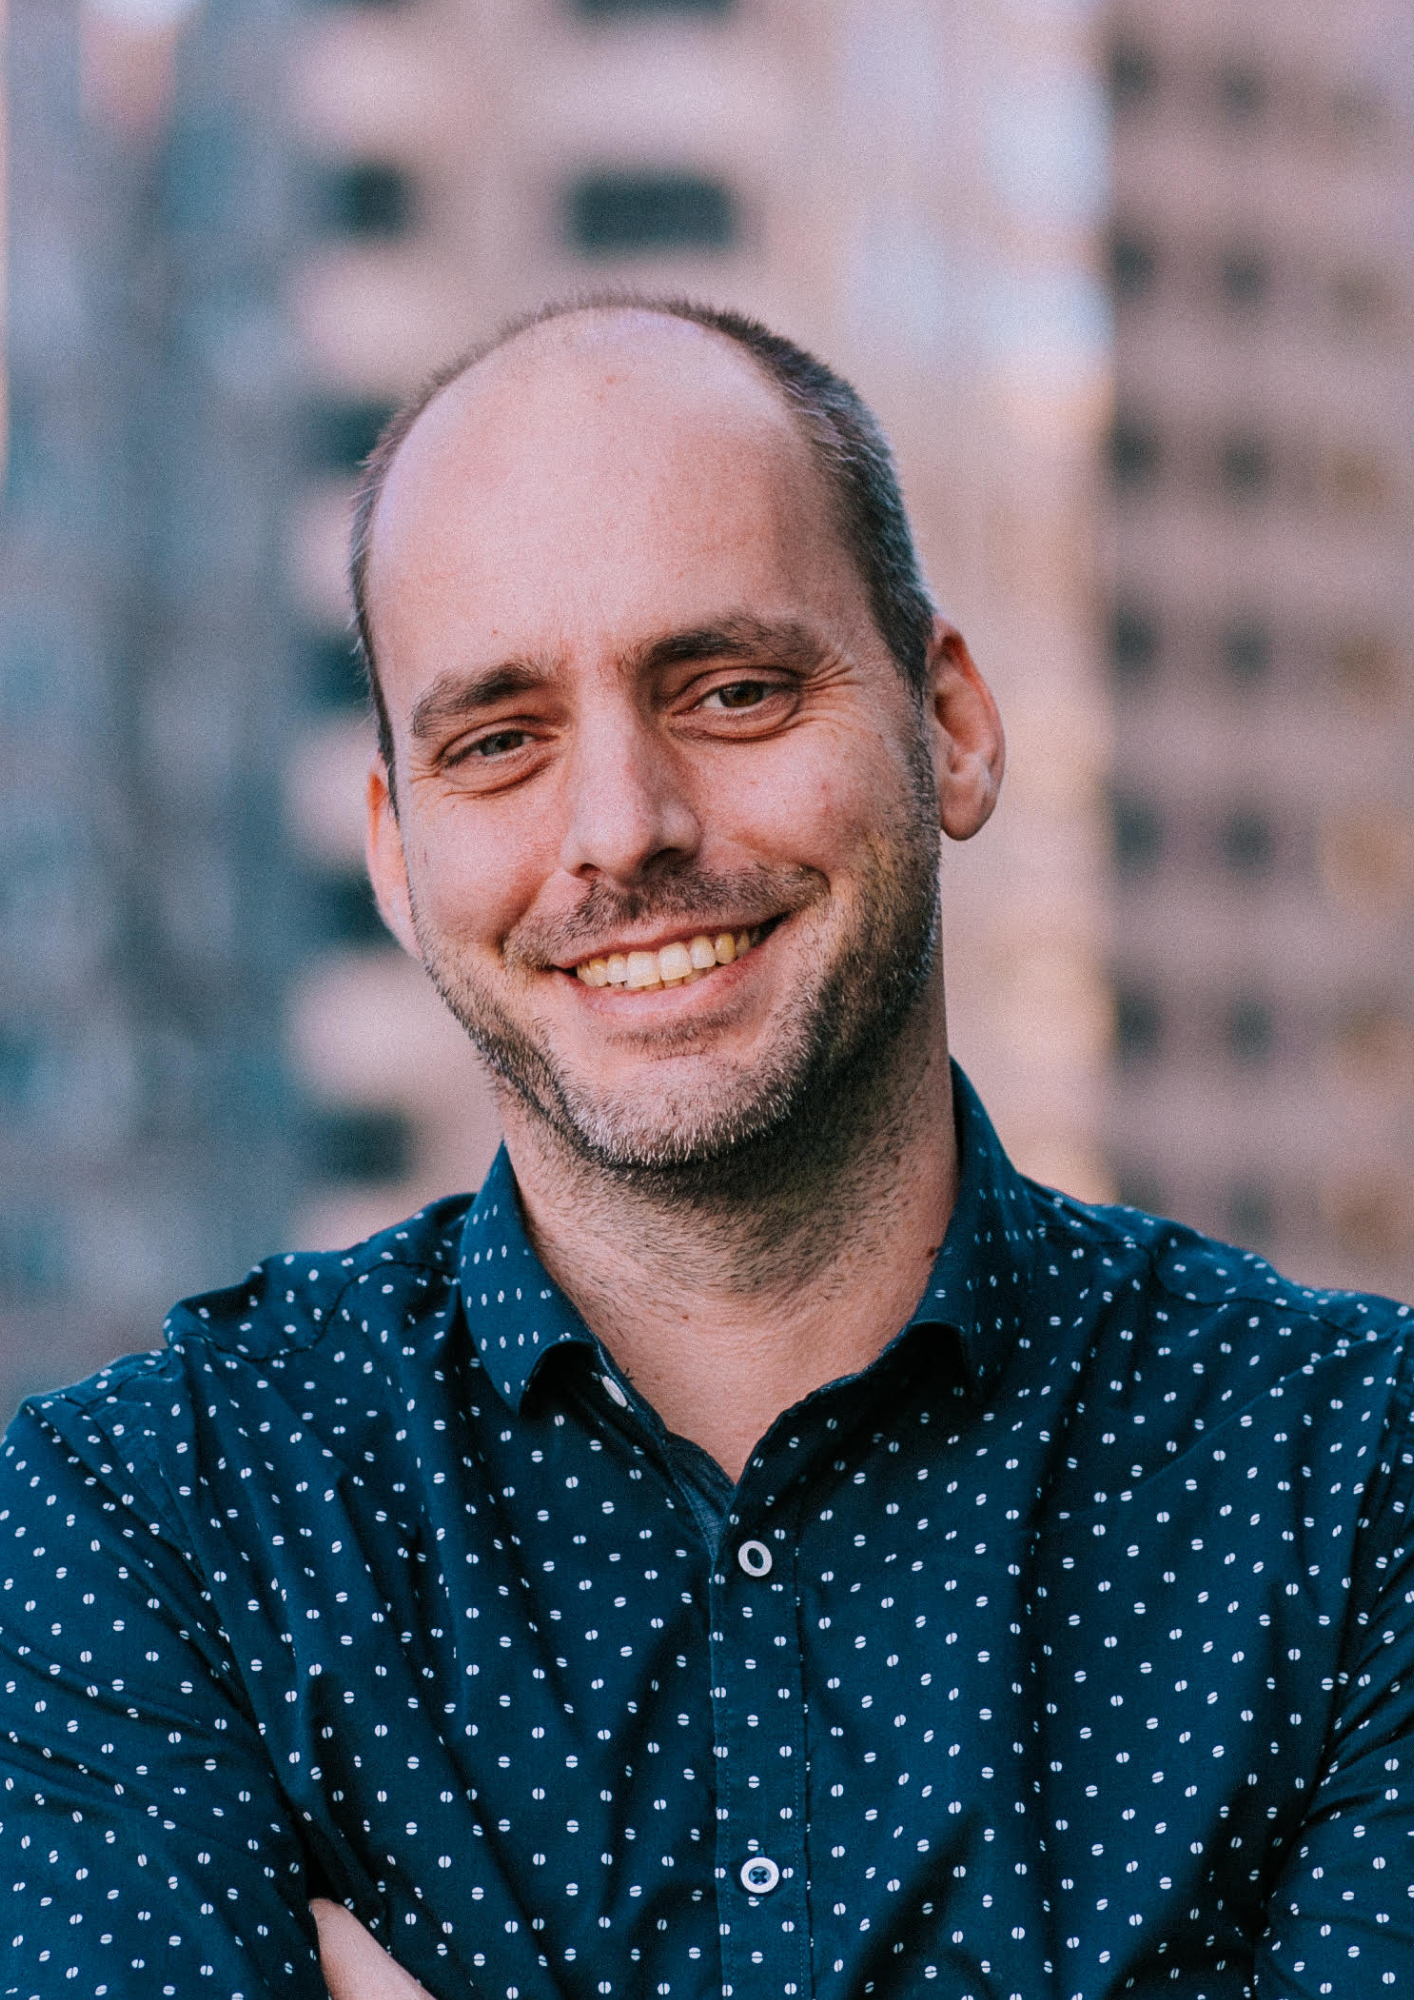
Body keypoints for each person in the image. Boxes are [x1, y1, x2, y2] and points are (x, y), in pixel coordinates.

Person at [3, 297, 1414, 2000]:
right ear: (394, 853)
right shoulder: (152, 1531)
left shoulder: (1353, 1489)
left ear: (947, 723)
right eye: (498, 741)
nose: (622, 830)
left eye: (731, 690)